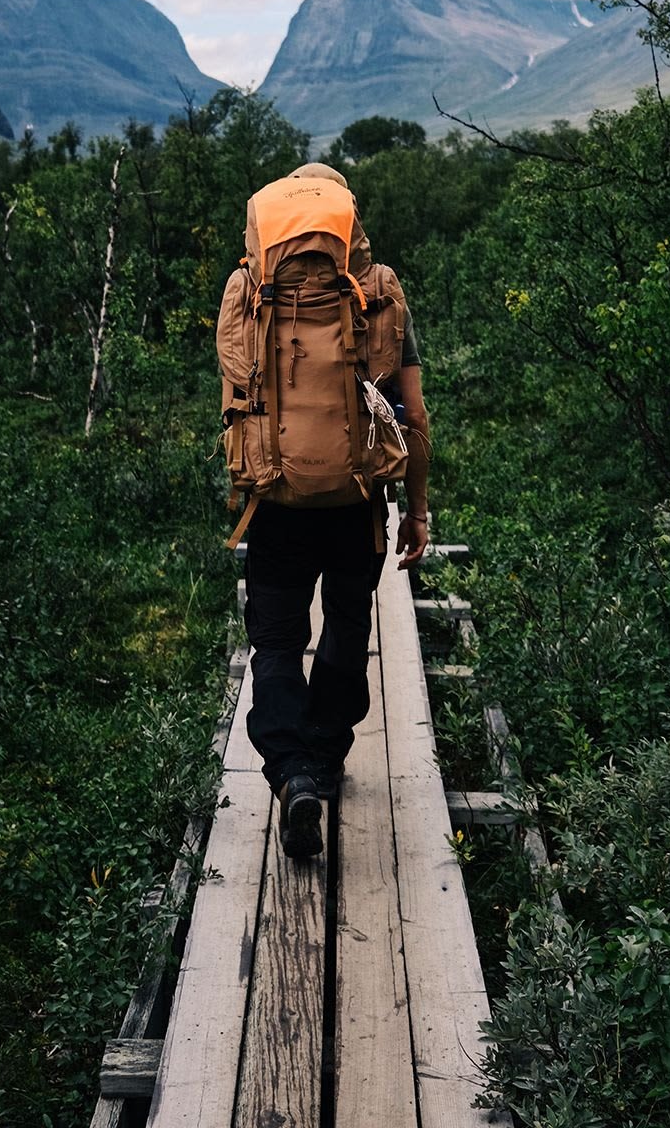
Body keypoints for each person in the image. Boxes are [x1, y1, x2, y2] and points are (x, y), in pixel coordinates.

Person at [232, 164, 430, 859]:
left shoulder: (251, 291)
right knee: (348, 626)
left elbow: (239, 395)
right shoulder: (376, 294)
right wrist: (419, 511)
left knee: (278, 640)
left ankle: (291, 772)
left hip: (277, 501)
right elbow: (413, 416)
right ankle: (324, 752)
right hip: (357, 502)